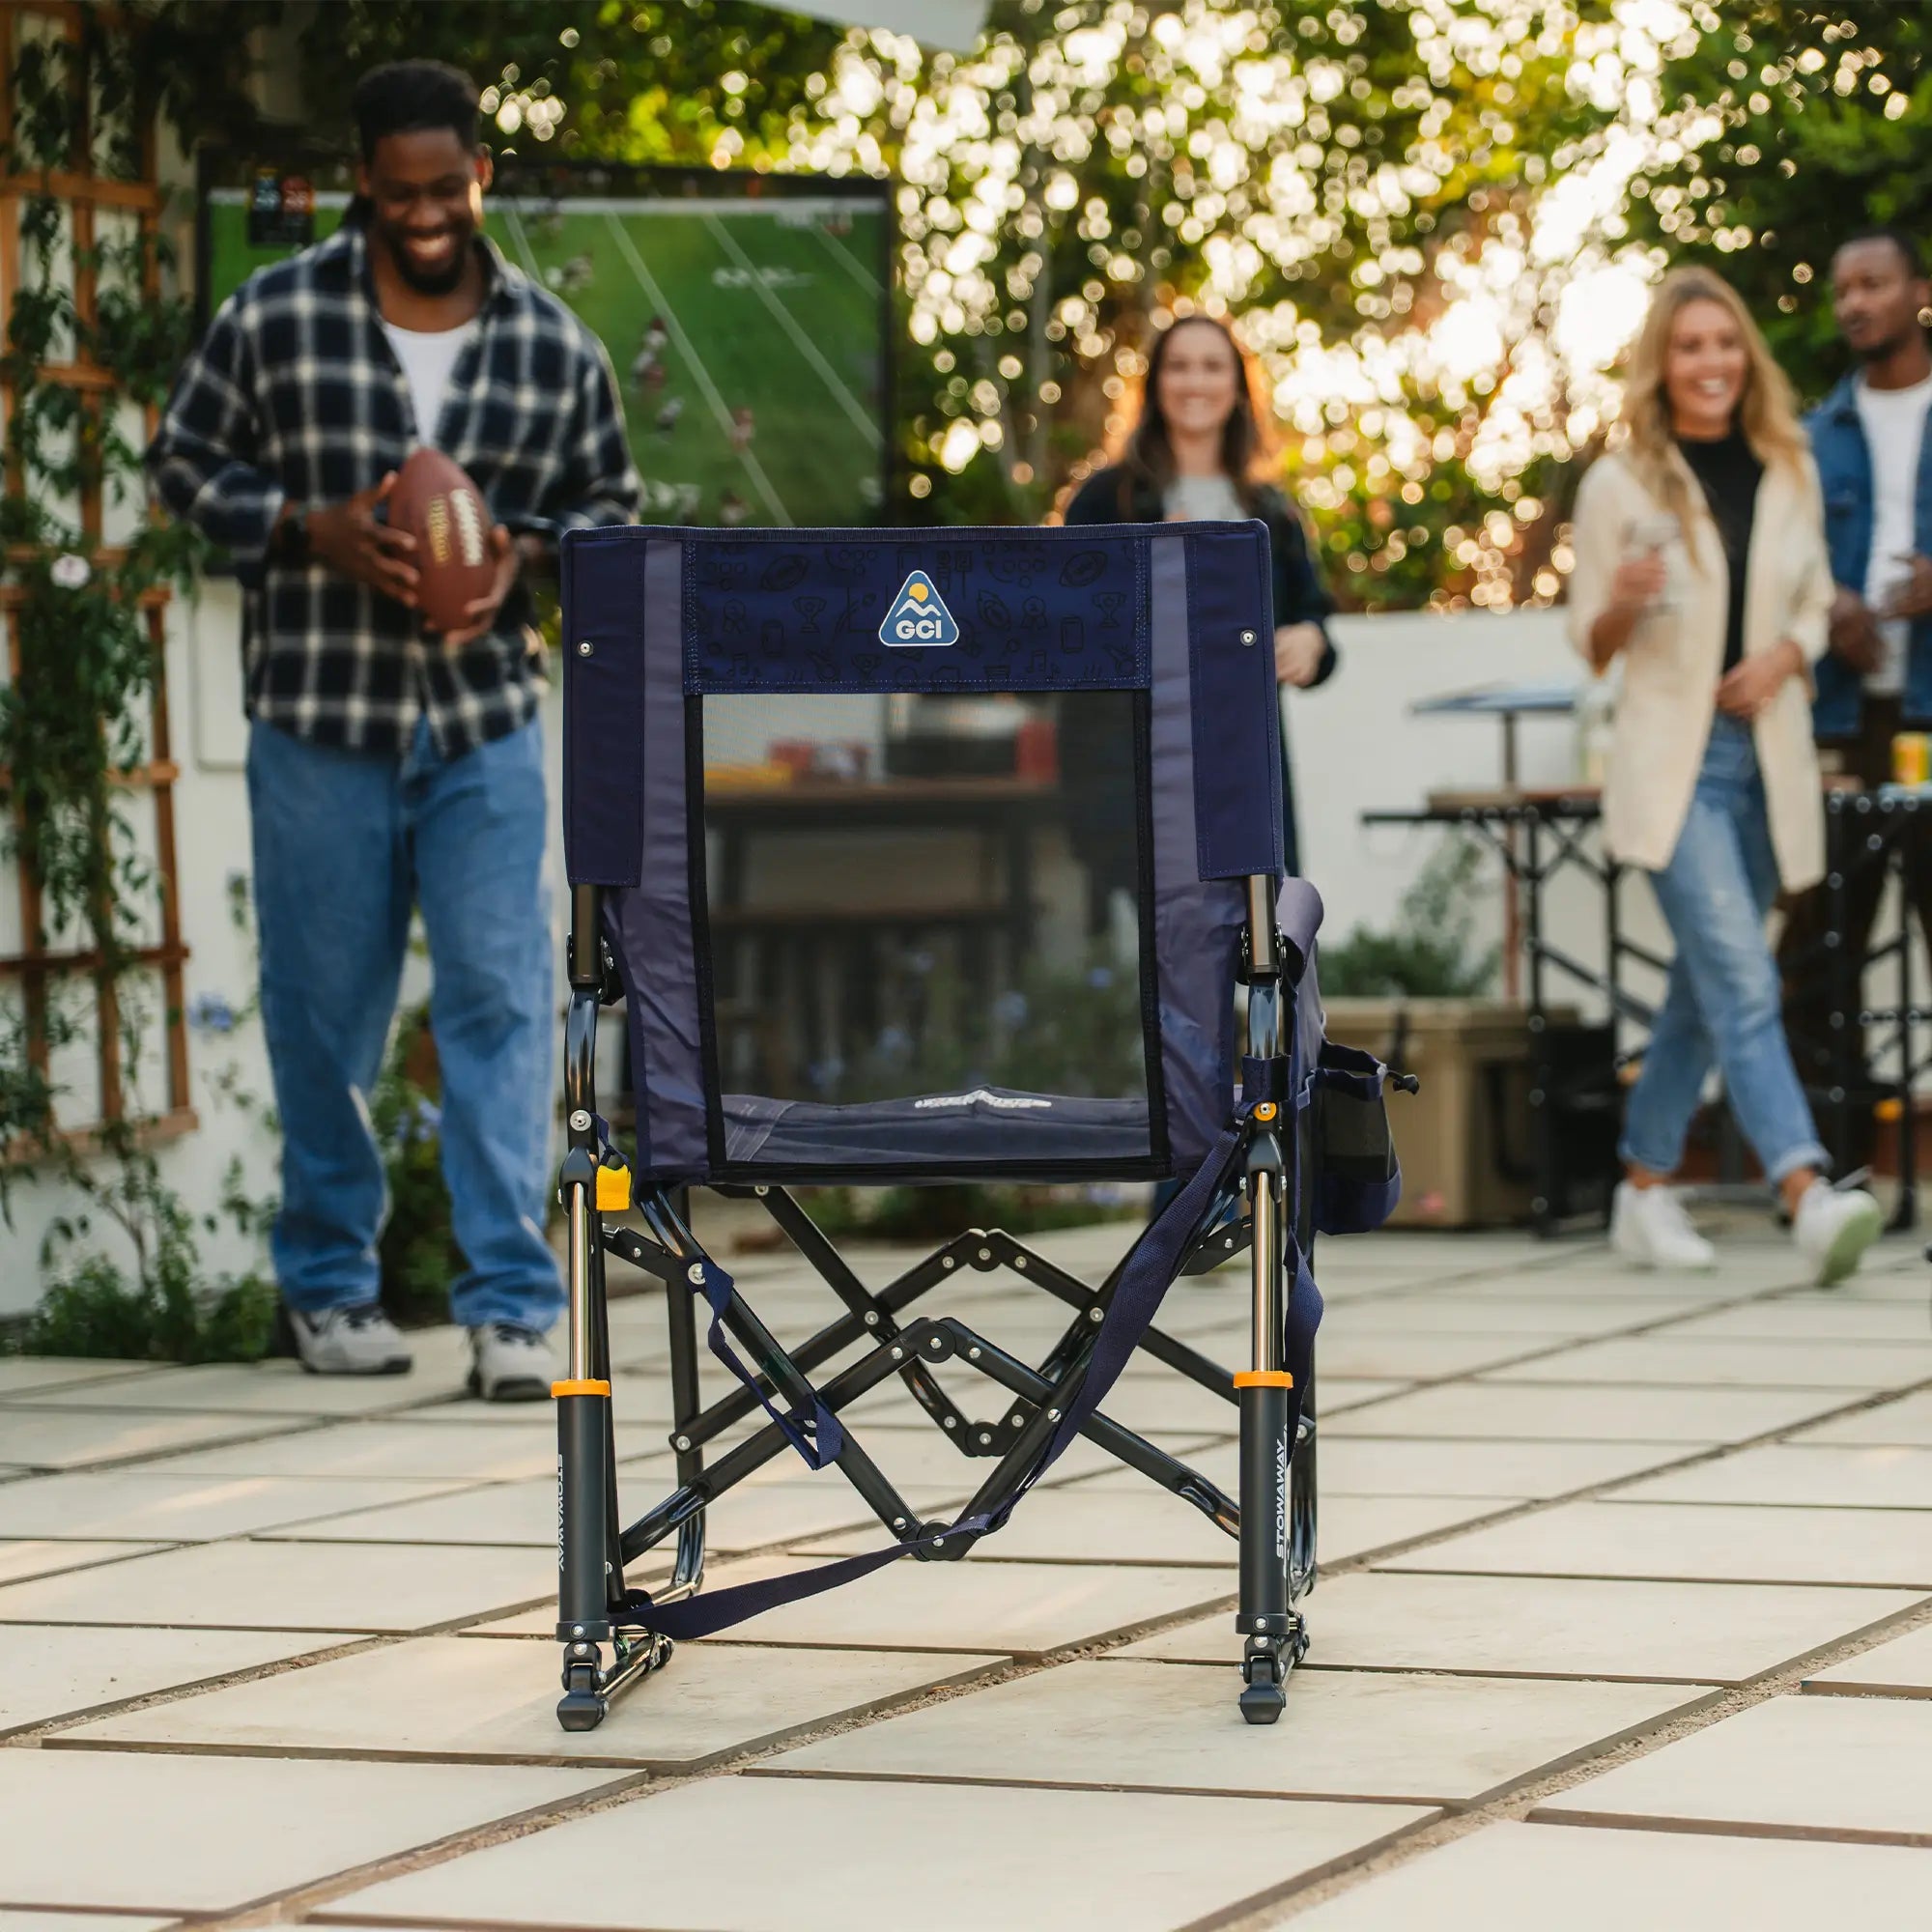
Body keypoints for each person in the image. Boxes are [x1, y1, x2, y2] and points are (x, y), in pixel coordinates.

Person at [147, 61, 639, 1394]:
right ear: (364, 178)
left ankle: (510, 1310)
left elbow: (616, 507)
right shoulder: (277, 314)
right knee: (326, 1015)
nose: (425, 211)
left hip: (481, 721)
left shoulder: (550, 342)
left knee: (499, 1000)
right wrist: (298, 526)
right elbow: (183, 460)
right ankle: (329, 1288)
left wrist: (518, 557)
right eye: (400, 188)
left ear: (482, 175)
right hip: (320, 714)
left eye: (448, 186)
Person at [1567, 266, 1883, 1281]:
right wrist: (1619, 598)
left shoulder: (1784, 466)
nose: (1709, 362)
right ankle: (1803, 1187)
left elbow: (1814, 600)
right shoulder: (1620, 483)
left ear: (1744, 357)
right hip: (1675, 767)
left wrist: (1787, 656)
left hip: (1767, 756)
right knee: (1742, 977)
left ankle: (1642, 1184)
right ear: (1660, 366)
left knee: (1705, 991)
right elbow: (1591, 642)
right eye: (1689, 346)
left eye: (1723, 344)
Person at [1060, 313, 1338, 934]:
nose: (1195, 382)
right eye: (1179, 366)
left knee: (1258, 951)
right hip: (1135, 775)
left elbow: (1312, 620)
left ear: (1238, 387)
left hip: (1243, 774)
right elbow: (1070, 624)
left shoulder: (1269, 510)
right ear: (1155, 385)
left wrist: (1310, 641)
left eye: (1212, 366)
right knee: (1156, 961)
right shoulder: (1107, 501)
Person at [1778, 227, 1932, 1169]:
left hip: (1928, 715)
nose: (1852, 304)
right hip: (1840, 717)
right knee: (1815, 942)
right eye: (1841, 288)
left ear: (1916, 290)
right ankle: (1840, 1158)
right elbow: (1777, 567)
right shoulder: (1807, 436)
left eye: (1871, 283)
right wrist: (1822, 599)